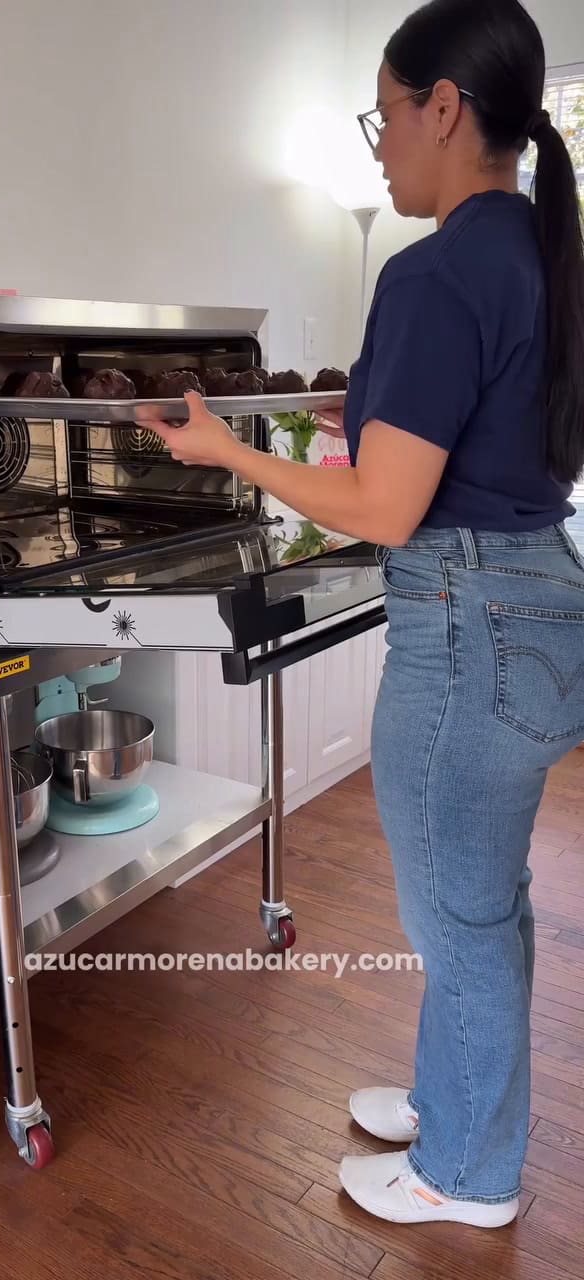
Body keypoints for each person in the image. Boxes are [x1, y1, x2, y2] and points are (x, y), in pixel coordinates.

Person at [137, 0, 584, 1232]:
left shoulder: (435, 268)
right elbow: (465, 447)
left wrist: (232, 448)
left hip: (465, 621)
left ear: (446, 107)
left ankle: (470, 1175)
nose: (379, 144)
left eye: (383, 115)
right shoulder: (541, 256)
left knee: (459, 912)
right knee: (479, 896)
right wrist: (339, 426)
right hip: (538, 597)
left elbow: (388, 509)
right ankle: (452, 1105)